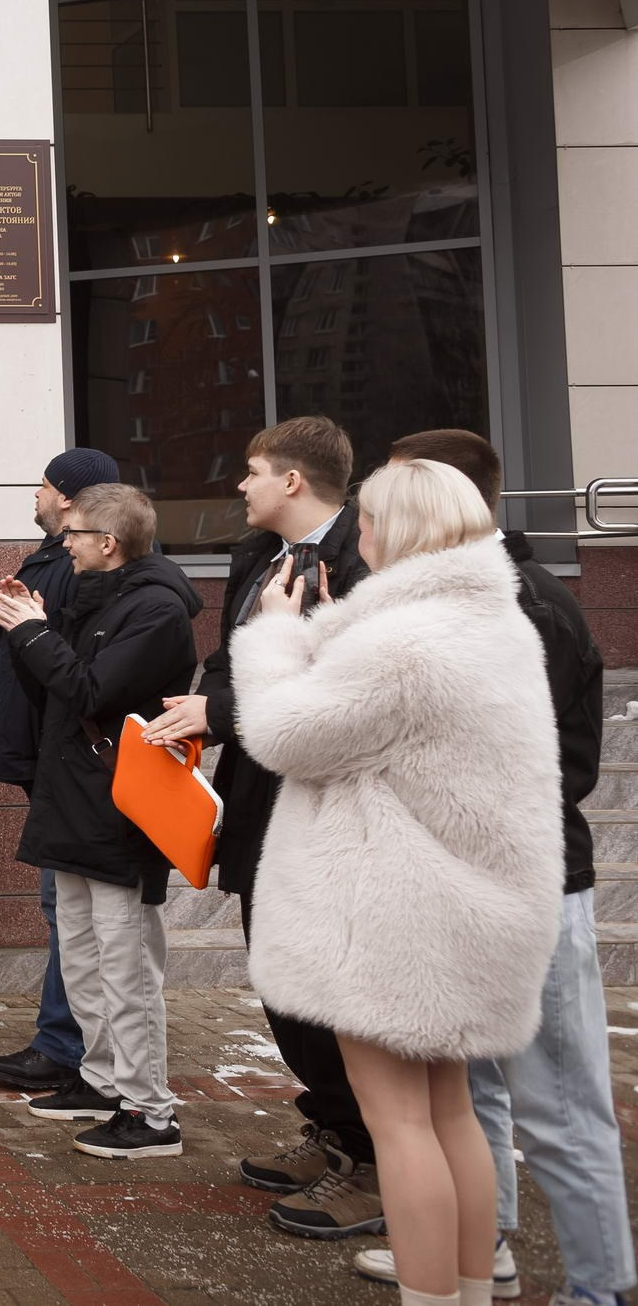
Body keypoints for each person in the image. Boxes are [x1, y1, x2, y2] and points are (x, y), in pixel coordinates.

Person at [231, 458, 560, 1306]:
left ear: (399, 529)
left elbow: (282, 733)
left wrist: (272, 634)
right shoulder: (497, 623)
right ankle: (471, 1285)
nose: (360, 531)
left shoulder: (403, 640)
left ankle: (432, 1297)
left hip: (394, 915)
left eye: (371, 518)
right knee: (453, 1115)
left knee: (400, 1124)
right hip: (472, 907)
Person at [357, 432, 631, 1306]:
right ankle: (491, 1251)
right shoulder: (461, 606)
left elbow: (553, 771)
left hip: (530, 890)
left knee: (559, 1107)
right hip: (465, 892)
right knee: (469, 1098)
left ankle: (600, 1288)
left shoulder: (525, 609)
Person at [139, 417, 379, 1235]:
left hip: (321, 806)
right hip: (256, 800)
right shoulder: (256, 557)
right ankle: (333, 1127)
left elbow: (338, 685)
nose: (239, 486)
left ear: (293, 481)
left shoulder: (362, 560)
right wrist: (200, 706)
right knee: (281, 980)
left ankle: (373, 1164)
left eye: (250, 471)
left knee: (328, 989)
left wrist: (222, 708)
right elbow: (230, 653)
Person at [0, 481, 200, 1160]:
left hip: (118, 813)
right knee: (82, 954)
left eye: (74, 532)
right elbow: (59, 686)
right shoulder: (92, 594)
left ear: (107, 543)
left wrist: (33, 632)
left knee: (125, 961)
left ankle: (151, 1110)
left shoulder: (156, 609)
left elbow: (89, 689)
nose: (65, 541)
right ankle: (104, 1078)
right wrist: (26, 628)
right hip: (75, 799)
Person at [0, 448, 119, 1092]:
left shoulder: (74, 564)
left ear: (66, 498)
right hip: (42, 751)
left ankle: (66, 1046)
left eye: (41, 486)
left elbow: (56, 662)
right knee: (66, 904)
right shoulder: (56, 558)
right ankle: (67, 1042)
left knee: (69, 907)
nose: (33, 495)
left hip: (55, 755)